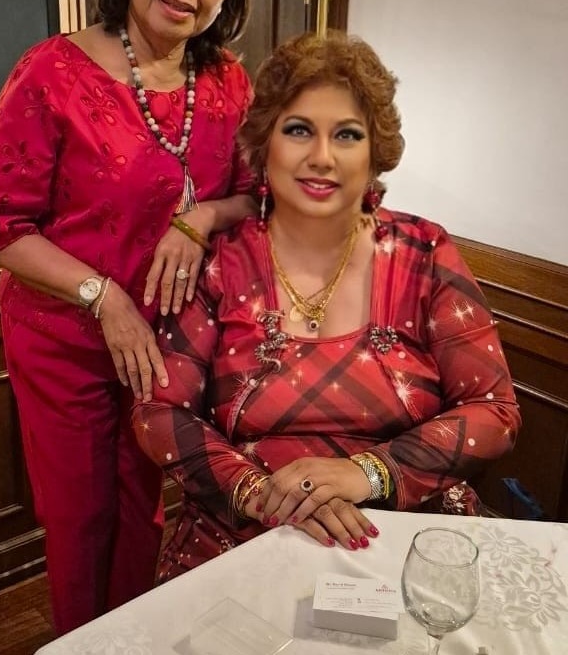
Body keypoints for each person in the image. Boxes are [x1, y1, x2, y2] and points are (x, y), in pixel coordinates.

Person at [0, 0, 266, 632]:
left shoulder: (227, 81)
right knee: (82, 520)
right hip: (64, 339)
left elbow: (256, 197)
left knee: (146, 511)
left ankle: (134, 642)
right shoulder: (51, 74)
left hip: (170, 342)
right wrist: (104, 296)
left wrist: (201, 218)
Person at [132, 30, 521, 582]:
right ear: (265, 144)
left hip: (404, 538)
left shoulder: (425, 252)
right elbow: (159, 411)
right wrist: (263, 494)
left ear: (374, 152)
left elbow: (493, 408)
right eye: (298, 130)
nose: (321, 157)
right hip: (242, 536)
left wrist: (369, 473)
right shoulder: (219, 262)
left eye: (347, 135)